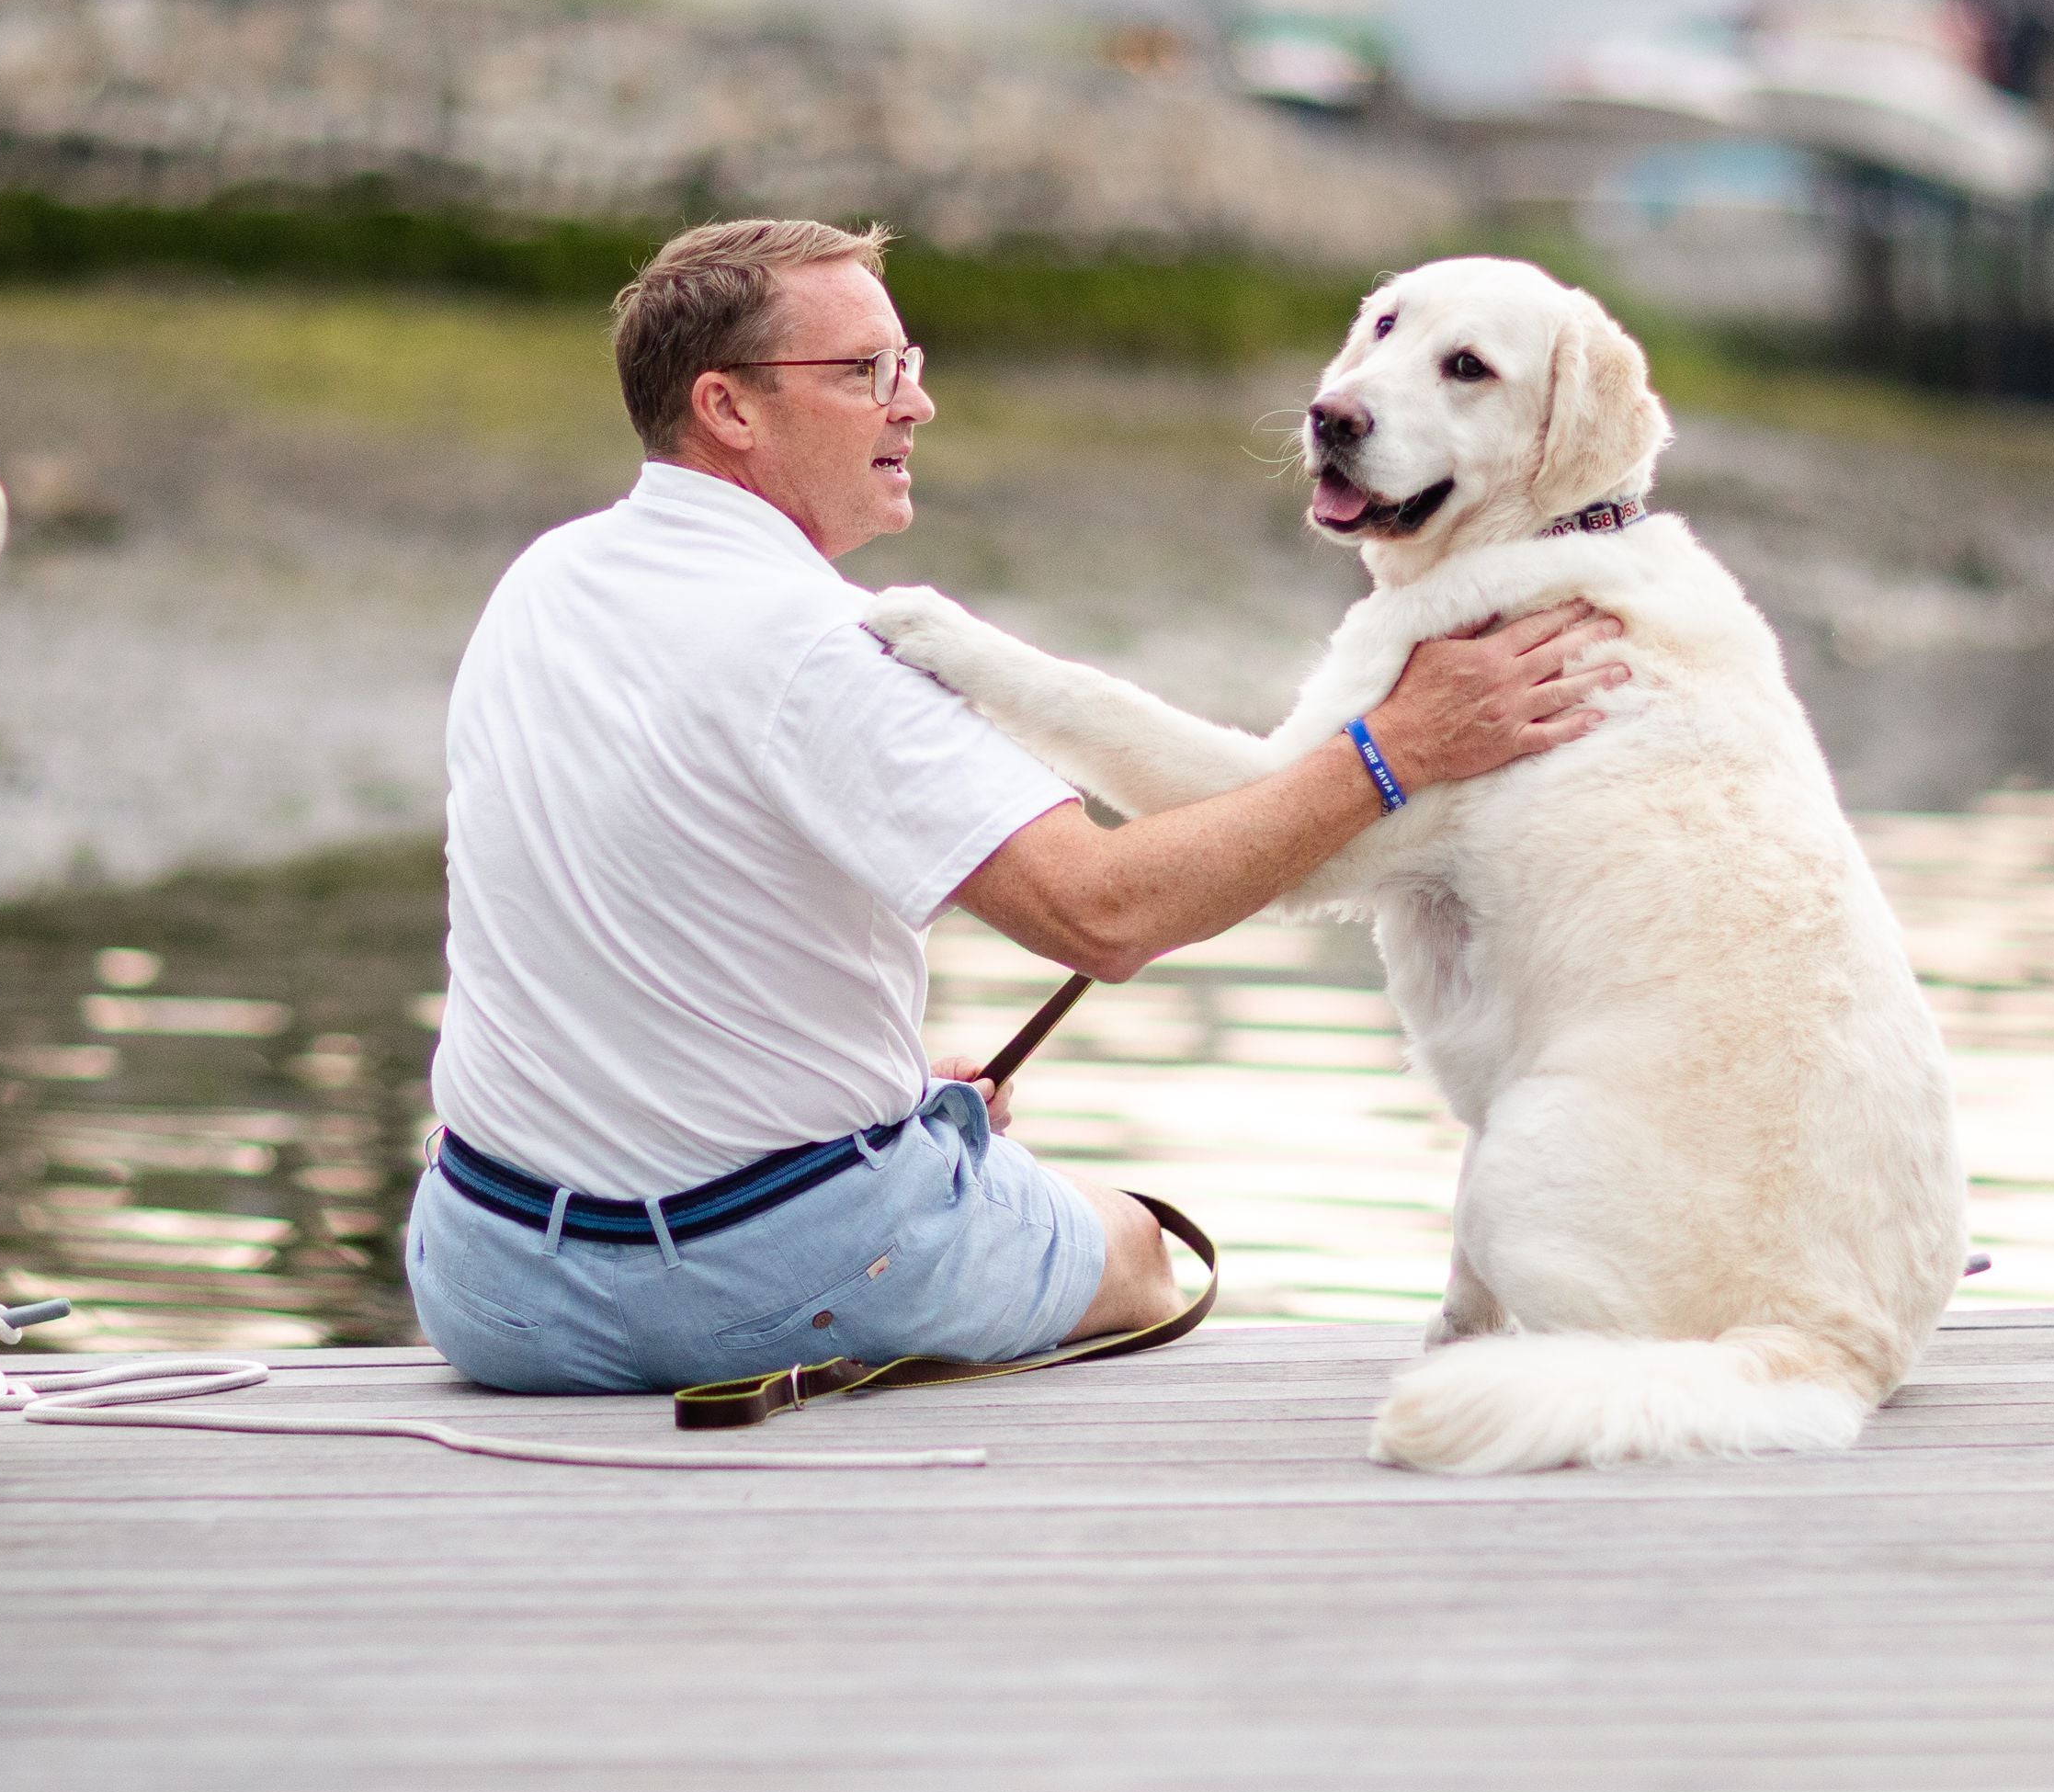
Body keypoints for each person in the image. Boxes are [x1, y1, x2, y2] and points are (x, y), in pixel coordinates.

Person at [407, 215, 1626, 1395]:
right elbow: (1101, 914)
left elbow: (653, 904)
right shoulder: (823, 647)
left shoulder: (545, 580)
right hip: (766, 1278)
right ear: (729, 407)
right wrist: (1396, 747)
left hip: (491, 1283)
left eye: (910, 363)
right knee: (1147, 1249)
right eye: (866, 372)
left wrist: (887, 1086)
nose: (913, 403)